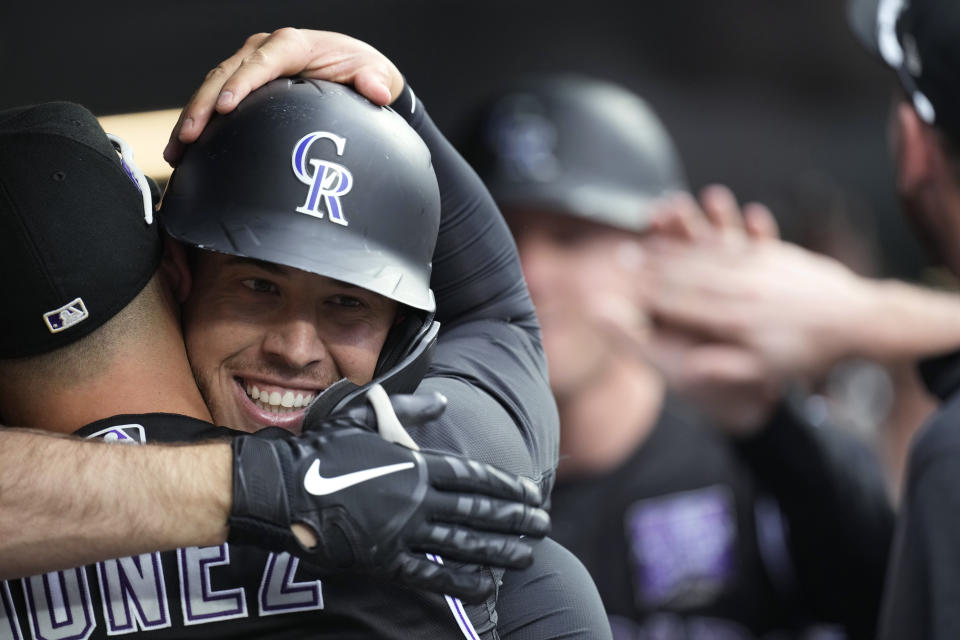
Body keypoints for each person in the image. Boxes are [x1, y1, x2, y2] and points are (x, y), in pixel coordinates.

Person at [0, 30, 612, 639]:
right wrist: (400, 106)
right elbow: (499, 317)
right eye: (258, 288)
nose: (294, 349)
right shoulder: (431, 488)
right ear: (178, 277)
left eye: (346, 304)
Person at [461, 74, 895, 639]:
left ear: (654, 250)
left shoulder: (753, 457)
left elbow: (896, 601)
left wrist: (775, 427)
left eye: (571, 237)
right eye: (499, 240)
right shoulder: (427, 478)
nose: (532, 274)